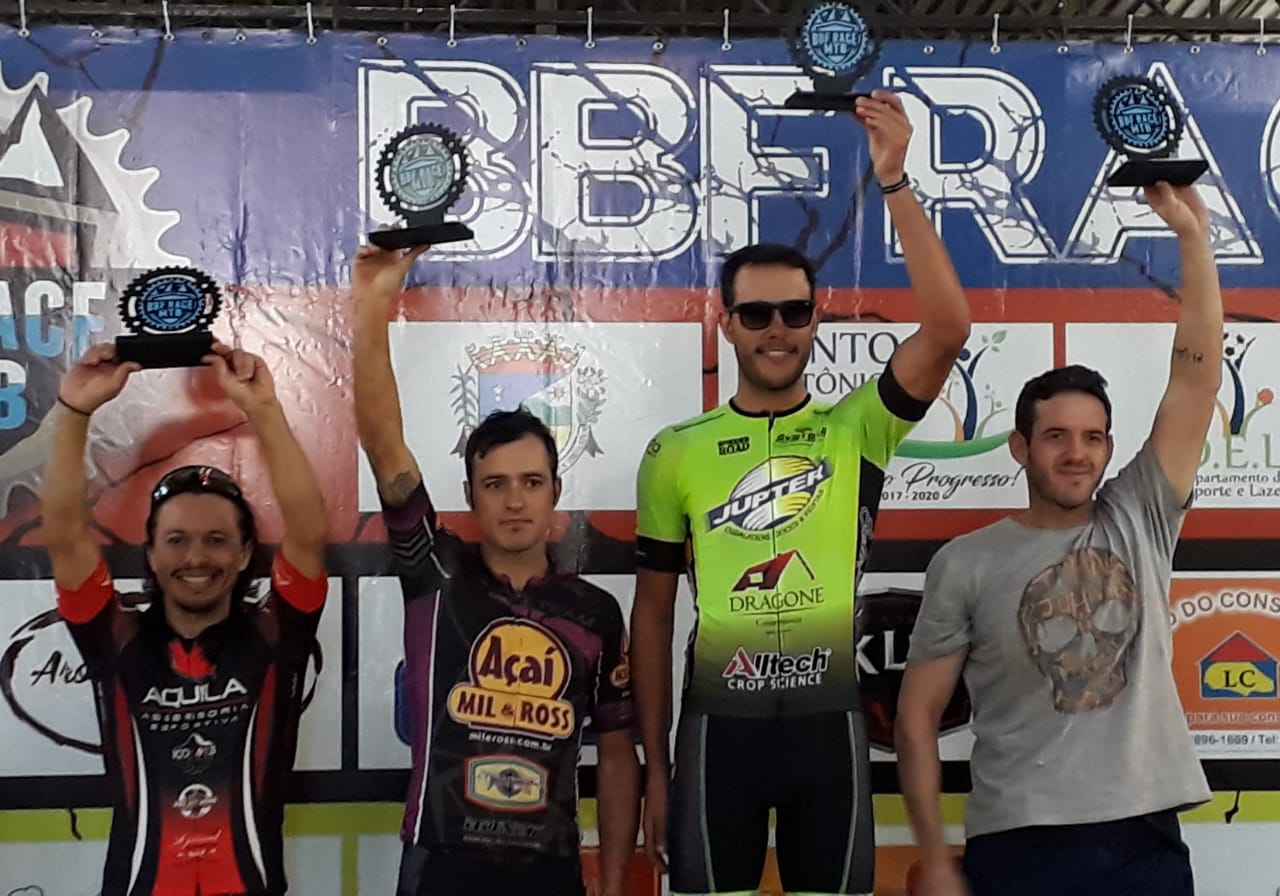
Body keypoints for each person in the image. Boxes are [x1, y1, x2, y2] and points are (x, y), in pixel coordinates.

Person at [632, 90, 971, 896]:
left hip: (828, 729)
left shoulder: (858, 428)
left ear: (817, 319)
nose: (776, 328)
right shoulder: (676, 452)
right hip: (719, 732)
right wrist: (655, 767)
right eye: (756, 314)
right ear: (726, 323)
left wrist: (894, 180)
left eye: (793, 311)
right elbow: (651, 617)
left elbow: (949, 328)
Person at [896, 183, 1219, 896]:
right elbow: (915, 720)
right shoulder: (966, 562)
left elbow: (1195, 382)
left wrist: (1194, 242)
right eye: (1057, 437)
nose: (1077, 454)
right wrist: (935, 854)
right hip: (1019, 842)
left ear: (1109, 449)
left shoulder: (1140, 515)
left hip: (1145, 839)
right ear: (1020, 447)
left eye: (1093, 437)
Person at [351, 243, 641, 896]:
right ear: (471, 495)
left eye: (531, 482)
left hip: (549, 870)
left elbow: (618, 753)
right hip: (442, 862)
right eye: (496, 484)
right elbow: (384, 446)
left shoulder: (595, 612)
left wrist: (617, 879)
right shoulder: (435, 575)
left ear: (555, 493)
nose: (514, 500)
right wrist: (372, 305)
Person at [42, 341, 329, 896]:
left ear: (245, 554)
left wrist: (264, 409)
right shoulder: (115, 638)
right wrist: (75, 412)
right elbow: (64, 537)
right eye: (176, 540)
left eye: (216, 540)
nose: (196, 558)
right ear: (150, 554)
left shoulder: (275, 635)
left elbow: (308, 534)